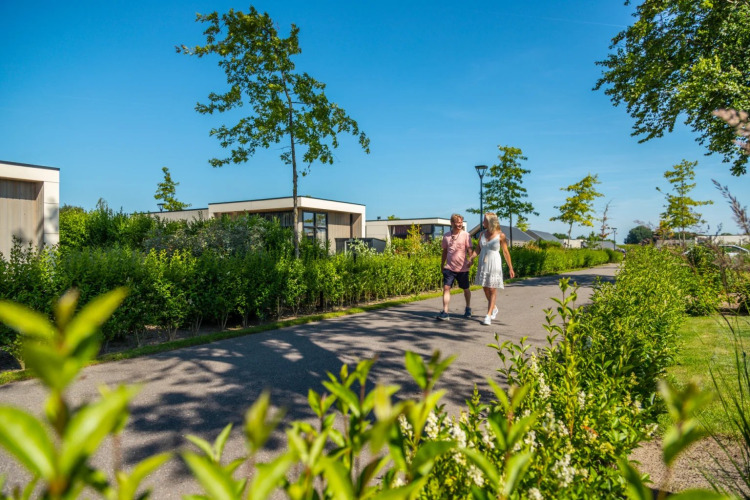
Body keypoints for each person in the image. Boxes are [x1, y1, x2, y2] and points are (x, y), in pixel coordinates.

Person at [473, 212, 515, 325]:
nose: (482, 223)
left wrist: (511, 268)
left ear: (491, 222)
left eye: (484, 221)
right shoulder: (482, 234)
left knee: (492, 288)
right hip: (483, 263)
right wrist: (471, 258)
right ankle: (494, 307)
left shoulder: (501, 235)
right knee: (485, 287)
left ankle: (488, 315)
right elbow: (478, 249)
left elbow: (506, 252)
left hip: (494, 263)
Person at [437, 214, 473, 320]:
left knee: (466, 289)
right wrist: (442, 264)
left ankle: (468, 307)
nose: (459, 224)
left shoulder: (466, 235)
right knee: (446, 287)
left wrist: (471, 259)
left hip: (463, 268)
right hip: (449, 267)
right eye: (457, 222)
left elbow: (470, 249)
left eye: (461, 222)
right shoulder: (446, 236)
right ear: (452, 223)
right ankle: (445, 312)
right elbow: (444, 251)